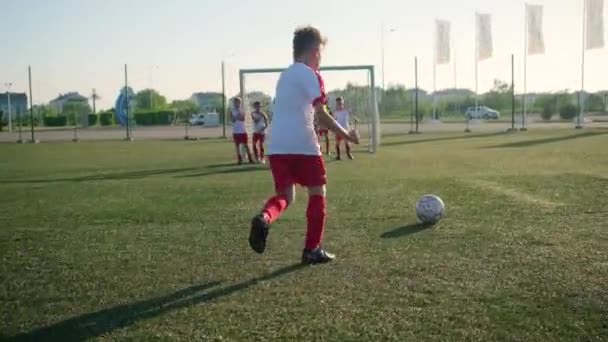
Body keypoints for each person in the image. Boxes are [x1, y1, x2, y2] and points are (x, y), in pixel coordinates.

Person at [248, 26, 359, 265]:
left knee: (285, 195)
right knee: (318, 191)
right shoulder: (312, 75)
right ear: (315, 51)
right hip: (303, 144)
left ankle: (265, 218)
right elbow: (321, 116)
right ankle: (312, 249)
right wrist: (347, 135)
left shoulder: (285, 75)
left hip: (276, 146)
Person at [230, 97, 254, 165]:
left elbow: (243, 119)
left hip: (243, 130)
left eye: (238, 102)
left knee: (246, 145)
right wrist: (237, 117)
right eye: (235, 102)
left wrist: (237, 117)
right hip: (235, 131)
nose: (236, 103)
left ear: (240, 103)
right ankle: (239, 160)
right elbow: (232, 120)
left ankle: (250, 159)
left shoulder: (242, 110)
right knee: (237, 146)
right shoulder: (232, 111)